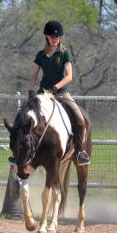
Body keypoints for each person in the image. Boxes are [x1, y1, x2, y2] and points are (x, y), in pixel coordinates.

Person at [29, 20, 90, 166]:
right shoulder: (41, 55)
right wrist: (31, 91)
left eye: (57, 37)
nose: (54, 39)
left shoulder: (64, 53)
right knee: (26, 115)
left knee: (80, 118)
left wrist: (56, 87)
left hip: (61, 92)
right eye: (51, 36)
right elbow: (33, 76)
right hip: (43, 93)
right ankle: (22, 149)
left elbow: (69, 76)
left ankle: (80, 151)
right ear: (47, 37)